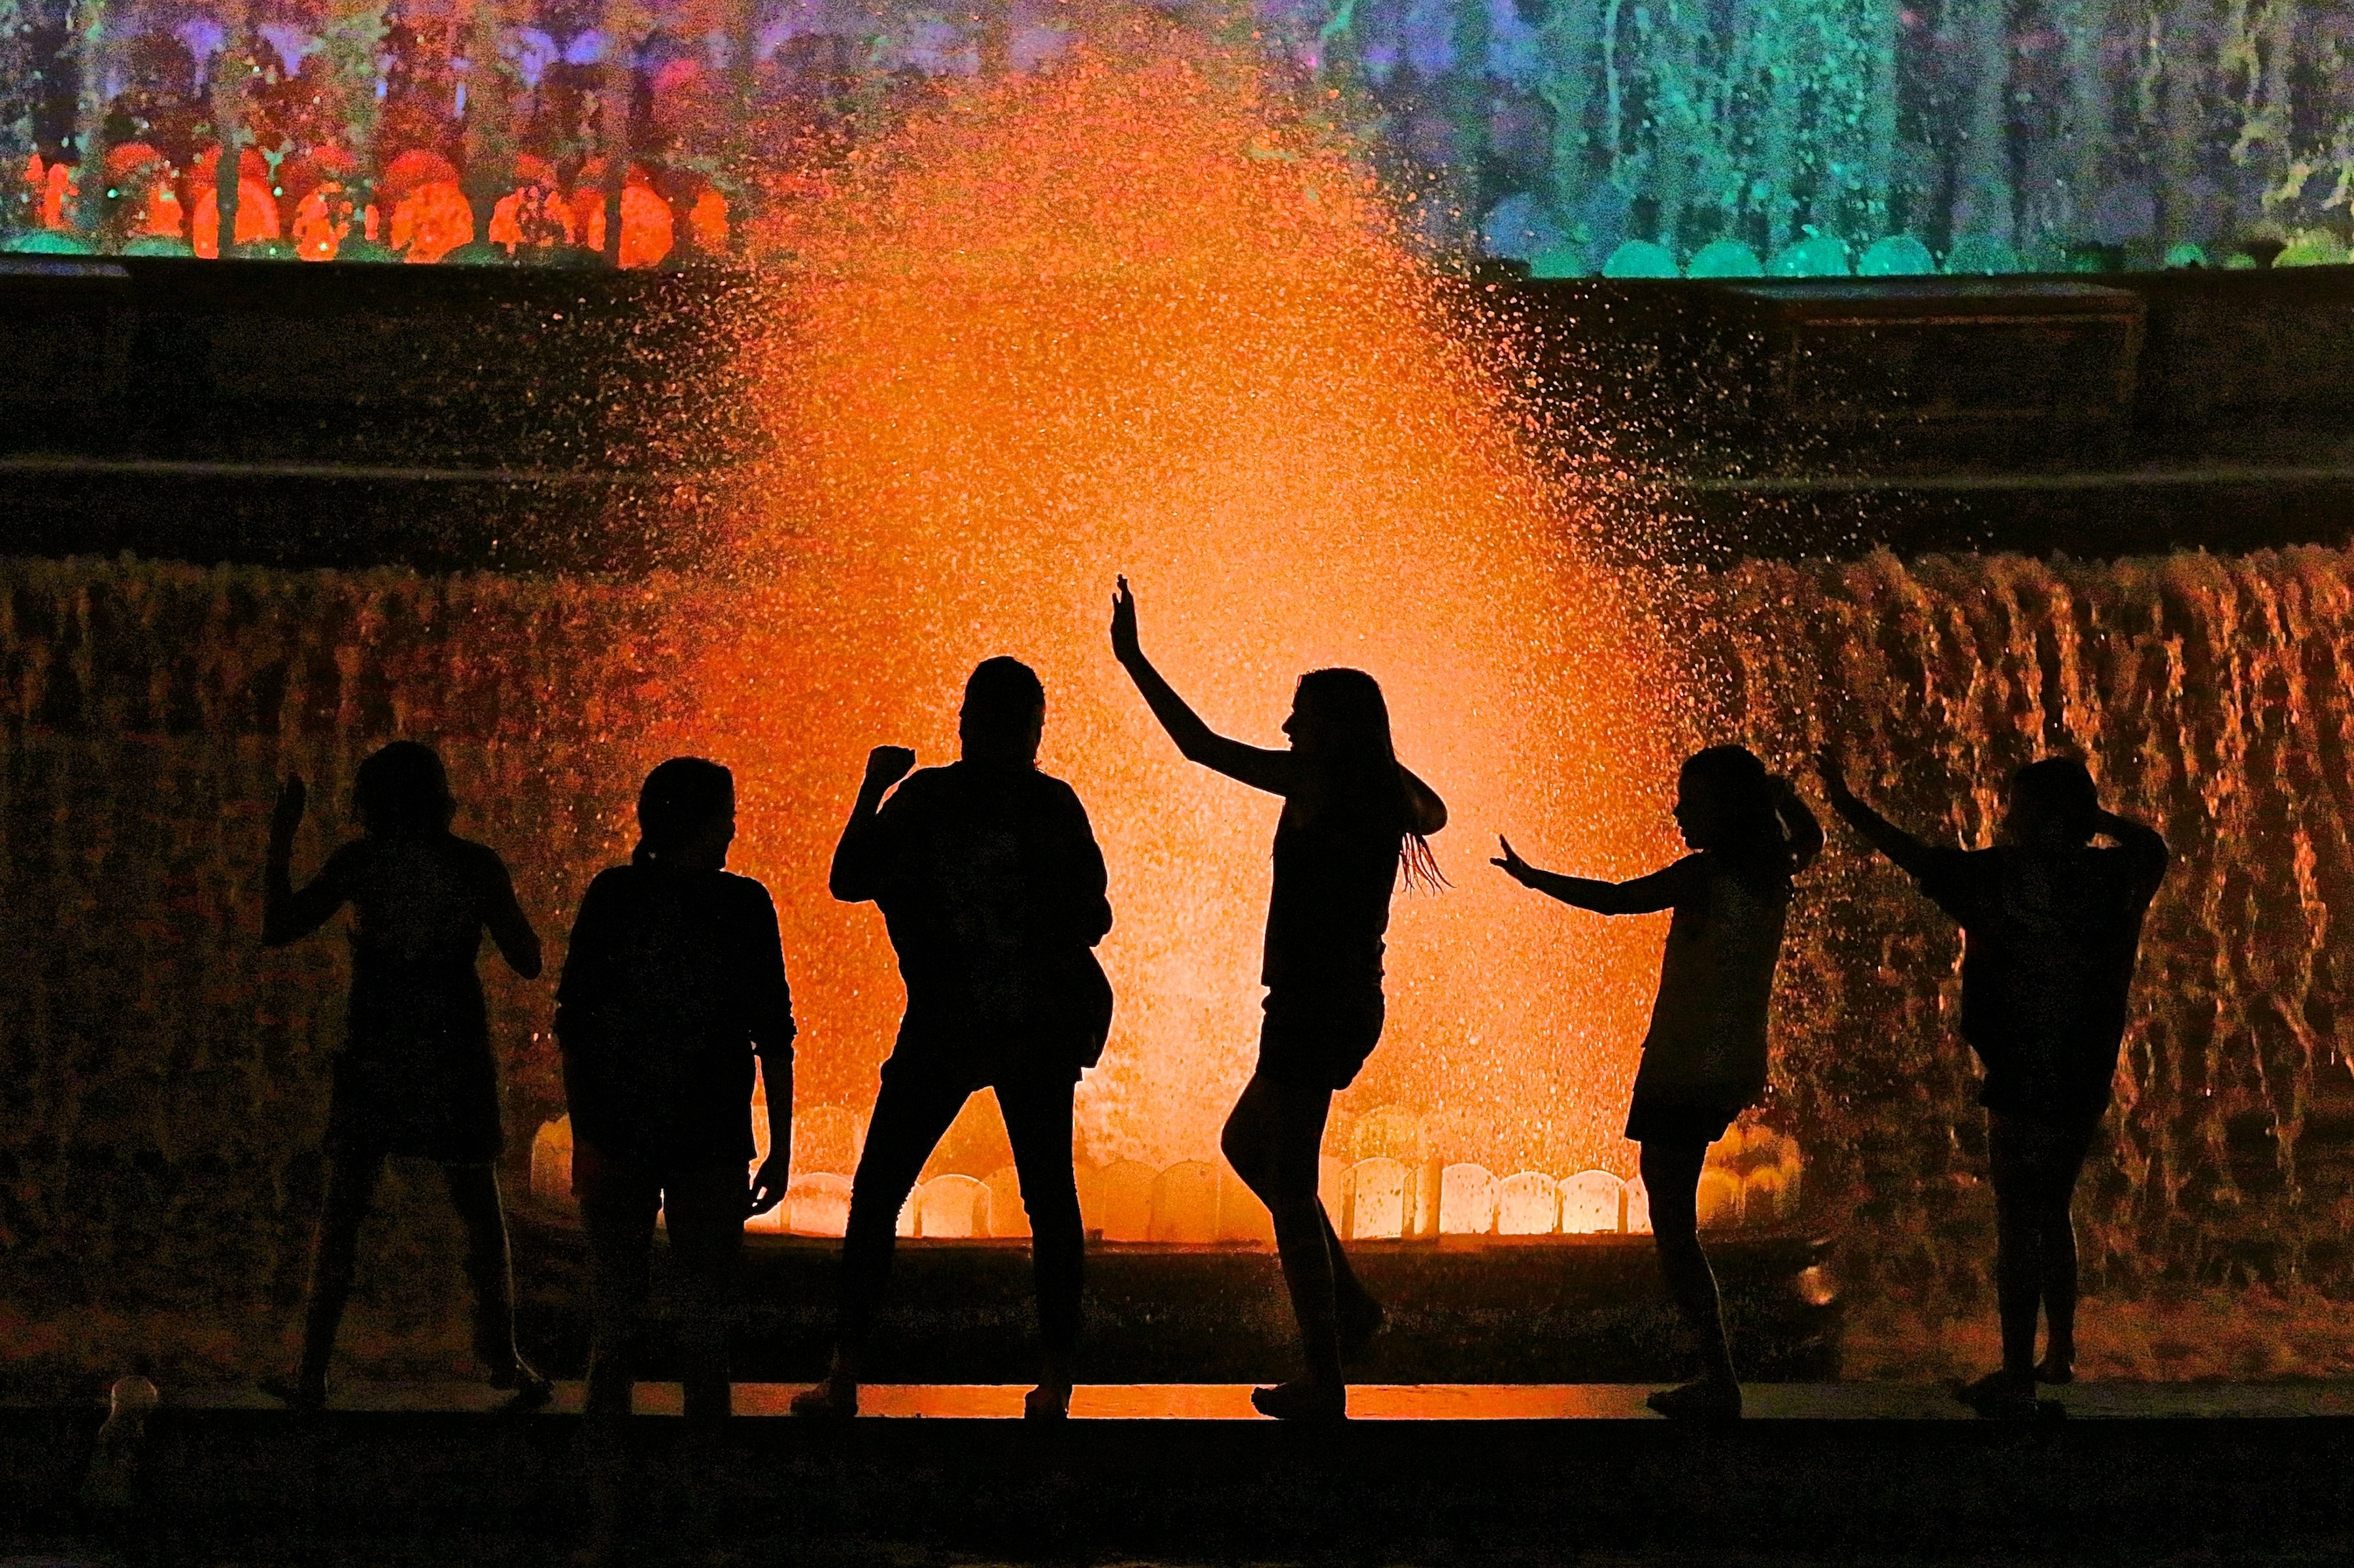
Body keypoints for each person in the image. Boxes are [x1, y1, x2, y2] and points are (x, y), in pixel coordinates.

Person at [1110, 578, 1446, 1422]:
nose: (1288, 725)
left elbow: (1199, 745)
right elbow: (1436, 812)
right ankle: (1350, 1307)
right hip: (1336, 1002)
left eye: (1302, 714)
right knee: (1245, 1146)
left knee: (1289, 1182)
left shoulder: (1322, 785)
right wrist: (1374, 751)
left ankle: (1326, 1375)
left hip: (1312, 1006)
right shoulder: (1376, 793)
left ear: (1331, 729)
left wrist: (1134, 660)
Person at [793, 657, 1114, 1422]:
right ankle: (1057, 1381)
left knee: (880, 1192)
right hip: (1030, 1026)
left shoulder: (927, 797)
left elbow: (848, 878)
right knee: (1049, 1198)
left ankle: (844, 1375)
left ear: (965, 722)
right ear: (1033, 728)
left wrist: (874, 785)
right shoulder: (1050, 804)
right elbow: (1096, 916)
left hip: (946, 1022)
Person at [1817, 749, 2168, 1417]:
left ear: (2038, 817)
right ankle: (2059, 1352)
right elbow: (2154, 846)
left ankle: (2015, 1375)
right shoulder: (2115, 876)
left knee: (2017, 1218)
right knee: (2052, 1206)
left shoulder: (1996, 877)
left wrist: (1846, 803)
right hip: (2085, 1068)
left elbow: (1912, 855)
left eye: (2019, 808)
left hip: (2020, 1068)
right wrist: (2096, 819)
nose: (2008, 819)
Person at [1495, 745, 1820, 1420]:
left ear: (1726, 811)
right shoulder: (1773, 871)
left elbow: (1617, 901)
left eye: (1692, 801)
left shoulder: (1706, 876)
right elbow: (1811, 838)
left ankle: (1717, 1374)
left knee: (1672, 1224)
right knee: (1673, 1213)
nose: (1678, 811)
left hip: (1685, 1062)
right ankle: (1714, 1372)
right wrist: (1785, 797)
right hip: (1732, 1060)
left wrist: (1533, 878)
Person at [262, 741, 549, 1410]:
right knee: (480, 1211)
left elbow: (278, 927)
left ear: (371, 803)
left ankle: (312, 1370)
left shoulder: (360, 862)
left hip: (378, 1046)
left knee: (344, 1210)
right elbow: (529, 960)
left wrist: (281, 839)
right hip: (453, 1046)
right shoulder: (474, 864)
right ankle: (504, 1359)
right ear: (440, 798)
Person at [556, 757, 794, 1424]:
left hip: (617, 1130)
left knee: (614, 1321)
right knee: (706, 1326)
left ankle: (604, 1473)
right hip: (711, 1136)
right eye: (727, 815)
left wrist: (584, 1134)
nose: (735, 828)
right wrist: (779, 1147)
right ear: (703, 823)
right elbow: (774, 1033)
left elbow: (575, 1024)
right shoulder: (744, 905)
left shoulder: (614, 895)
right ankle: (704, 1474)